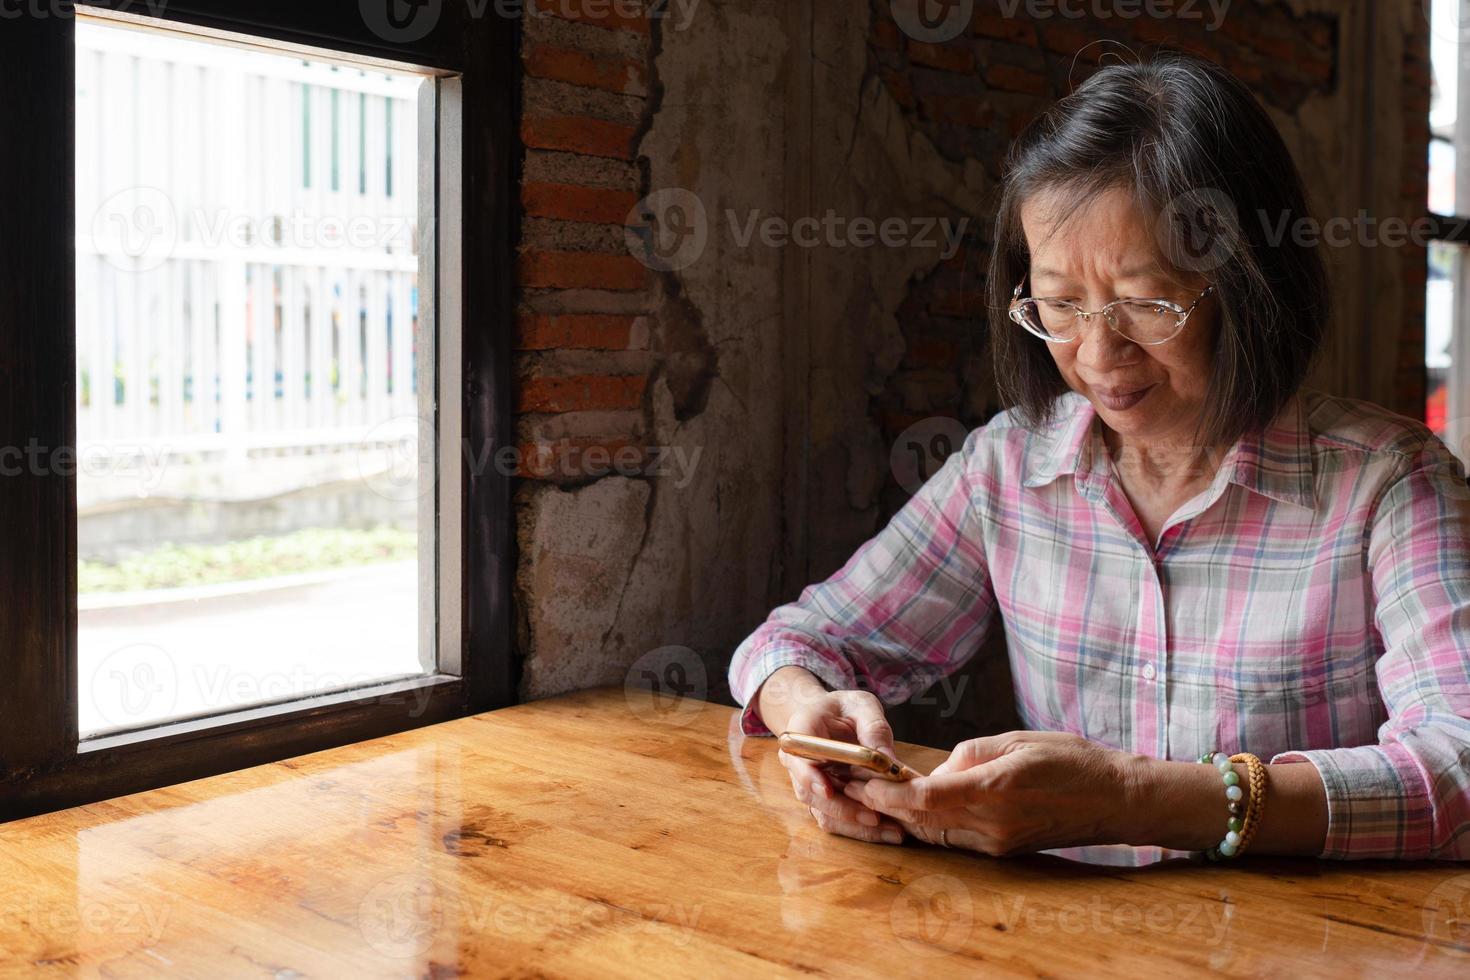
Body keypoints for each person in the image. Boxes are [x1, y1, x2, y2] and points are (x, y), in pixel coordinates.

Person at [727, 53, 1470, 861]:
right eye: (1060, 304)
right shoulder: (1008, 469)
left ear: (1248, 286)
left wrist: (1132, 801)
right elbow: (799, 639)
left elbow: (1457, 766)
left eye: (1145, 302)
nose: (1097, 351)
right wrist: (808, 711)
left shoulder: (1390, 485)